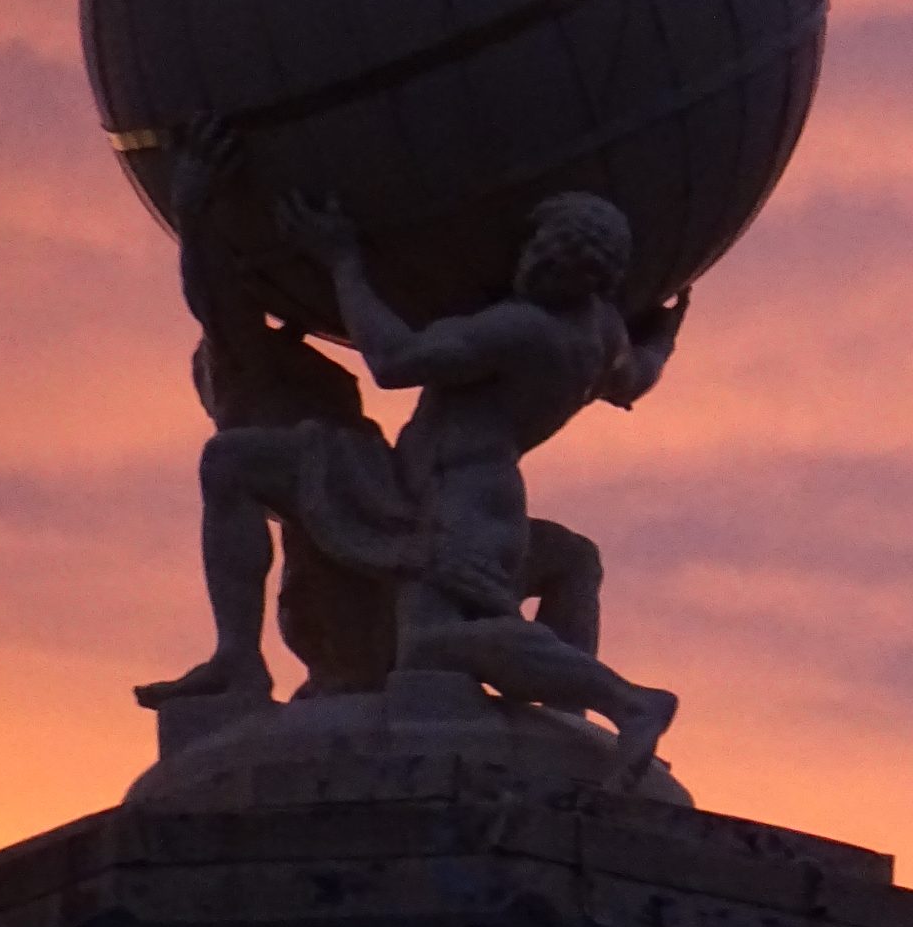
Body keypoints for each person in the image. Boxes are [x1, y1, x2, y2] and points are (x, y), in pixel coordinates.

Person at [282, 189, 686, 780]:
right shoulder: (602, 334)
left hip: (458, 499)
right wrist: (667, 333)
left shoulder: (517, 327)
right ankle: (577, 719)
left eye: (546, 254)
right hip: (486, 496)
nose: (534, 265)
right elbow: (634, 380)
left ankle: (629, 701)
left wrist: (344, 262)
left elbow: (394, 361)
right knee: (451, 628)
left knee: (430, 645)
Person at [137, 121, 397, 705]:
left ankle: (239, 658)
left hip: (371, 497)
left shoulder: (272, 361)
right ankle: (238, 658)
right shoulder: (239, 366)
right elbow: (212, 299)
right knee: (228, 463)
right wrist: (193, 214)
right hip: (356, 499)